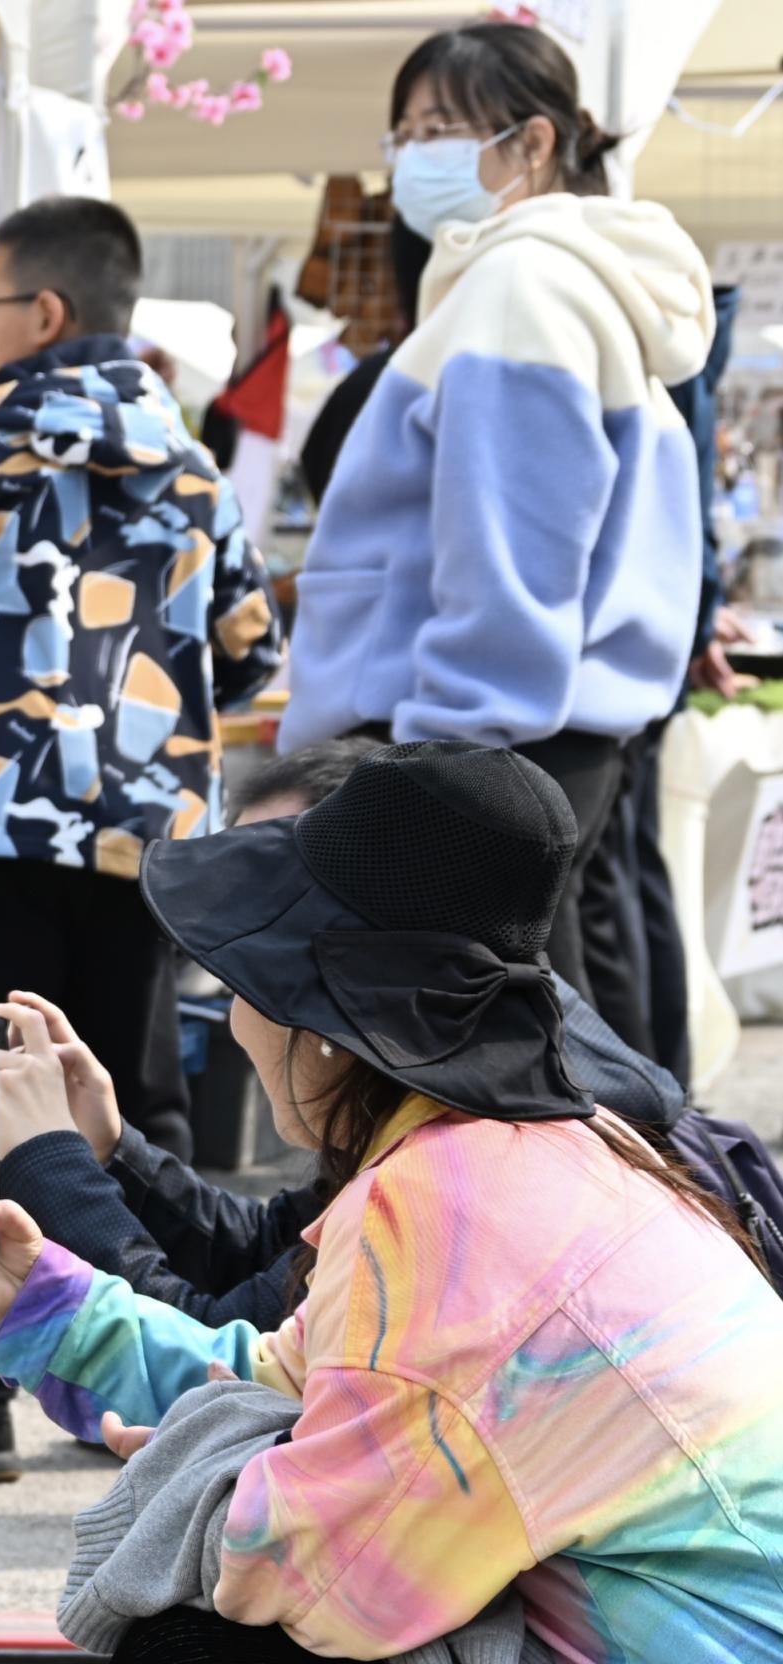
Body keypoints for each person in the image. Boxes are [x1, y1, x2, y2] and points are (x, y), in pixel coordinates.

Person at [0, 742, 783, 1664]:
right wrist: (46, 1304)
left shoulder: (444, 1207)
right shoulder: (539, 1147)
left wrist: (216, 1484)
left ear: (321, 1017)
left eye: (247, 986)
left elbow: (314, 1581)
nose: (232, 1017)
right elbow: (269, 1371)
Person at [0, 194, 283, 1483]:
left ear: (40, 313)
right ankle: (147, 1384)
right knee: (130, 1104)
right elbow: (253, 655)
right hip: (146, 836)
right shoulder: (191, 459)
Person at [274, 20, 714, 1008]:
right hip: (546, 733)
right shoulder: (575, 277)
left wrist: (449, 752)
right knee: (545, 1041)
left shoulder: (520, 282)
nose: (414, 154)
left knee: (496, 1063)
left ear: (532, 144)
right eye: (407, 130)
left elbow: (507, 545)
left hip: (481, 736)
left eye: (443, 126)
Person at [0, 738, 691, 1342]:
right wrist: (113, 1151)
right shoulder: (480, 1097)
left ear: (336, 1019)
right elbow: (279, 1255)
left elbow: (214, 1364)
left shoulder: (448, 1178)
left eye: (254, 978)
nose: (237, 1019)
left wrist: (47, 1161)